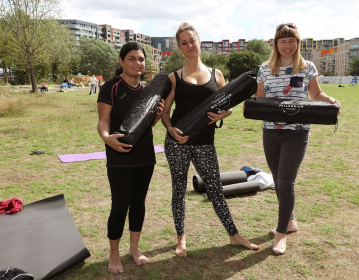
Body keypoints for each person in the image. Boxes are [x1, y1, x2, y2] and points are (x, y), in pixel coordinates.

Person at [161, 22, 260, 258]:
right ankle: (181, 238)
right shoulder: (174, 78)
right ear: (179, 47)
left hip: (205, 141)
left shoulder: (216, 74)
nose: (189, 46)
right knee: (178, 190)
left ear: (199, 41)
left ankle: (234, 234)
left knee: (215, 188)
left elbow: (230, 105)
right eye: (183, 43)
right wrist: (171, 129)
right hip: (178, 142)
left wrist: (224, 114)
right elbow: (165, 111)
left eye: (191, 40)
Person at [253, 23, 341, 255]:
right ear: (276, 43)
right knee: (277, 180)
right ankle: (290, 222)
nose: (287, 45)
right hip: (271, 132)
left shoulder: (306, 67)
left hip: (297, 131)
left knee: (286, 183)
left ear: (298, 43)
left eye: (292, 41)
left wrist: (330, 100)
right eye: (283, 41)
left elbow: (316, 94)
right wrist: (252, 104)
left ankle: (281, 234)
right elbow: (260, 98)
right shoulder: (265, 69)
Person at [97, 42, 165, 273]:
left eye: (141, 59)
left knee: (138, 203)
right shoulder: (111, 87)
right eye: (132, 59)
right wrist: (107, 139)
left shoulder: (148, 90)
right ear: (121, 61)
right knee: (120, 205)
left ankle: (134, 248)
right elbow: (103, 121)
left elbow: (146, 125)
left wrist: (156, 117)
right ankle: (114, 253)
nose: (138, 63)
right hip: (119, 155)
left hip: (145, 156)